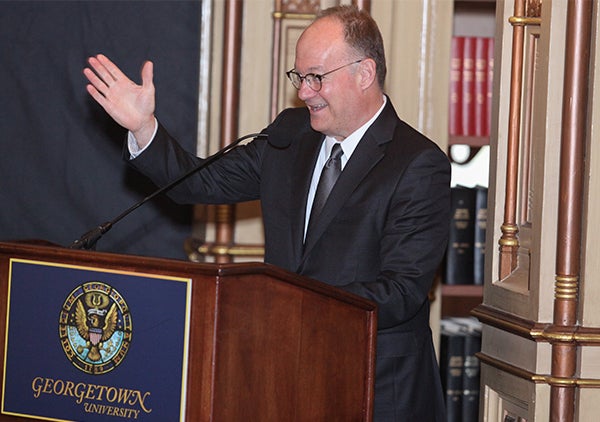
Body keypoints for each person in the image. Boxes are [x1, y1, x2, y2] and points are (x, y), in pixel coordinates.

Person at [84, 5, 450, 421]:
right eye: (299, 77)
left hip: (375, 386)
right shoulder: (290, 135)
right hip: (286, 379)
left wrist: (290, 307)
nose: (304, 92)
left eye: (316, 77)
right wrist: (142, 127)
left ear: (364, 73)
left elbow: (401, 292)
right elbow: (197, 183)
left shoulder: (417, 163)